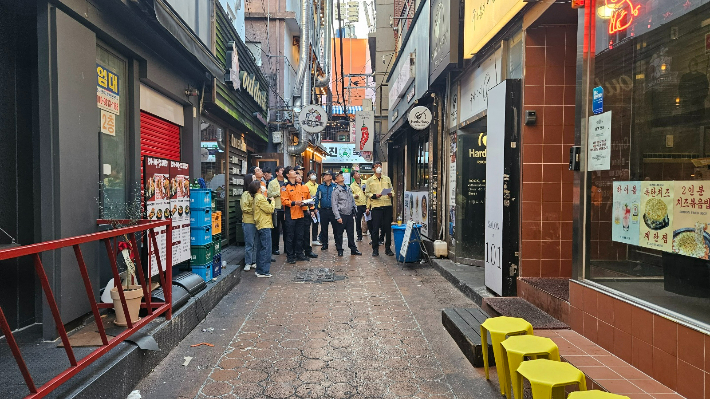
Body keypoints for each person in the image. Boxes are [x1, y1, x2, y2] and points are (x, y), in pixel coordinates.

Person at [280, 166, 318, 264]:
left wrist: (306, 204)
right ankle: (290, 256)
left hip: (301, 214)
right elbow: (284, 201)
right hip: (291, 215)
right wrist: (295, 203)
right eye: (292, 171)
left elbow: (305, 197)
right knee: (290, 236)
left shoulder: (299, 186)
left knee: (300, 235)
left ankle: (299, 254)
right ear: (288, 175)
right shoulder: (285, 187)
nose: (295, 172)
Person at [365, 161, 394, 256]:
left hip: (387, 205)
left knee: (387, 228)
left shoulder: (387, 178)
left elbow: (392, 190)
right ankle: (375, 249)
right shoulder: (370, 180)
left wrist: (390, 194)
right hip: (376, 207)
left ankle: (388, 248)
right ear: (373, 169)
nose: (378, 168)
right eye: (376, 166)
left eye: (380, 166)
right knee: (375, 229)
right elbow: (367, 193)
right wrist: (374, 195)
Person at [332, 172, 362, 257]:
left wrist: (355, 209)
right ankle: (340, 249)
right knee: (339, 234)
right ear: (336, 180)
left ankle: (353, 249)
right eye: (339, 176)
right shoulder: (336, 191)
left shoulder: (348, 188)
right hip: (341, 214)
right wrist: (337, 217)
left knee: (351, 233)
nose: (341, 176)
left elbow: (352, 200)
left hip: (349, 214)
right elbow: (334, 204)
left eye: (341, 175)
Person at [251, 180, 275, 277]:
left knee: (261, 247)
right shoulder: (260, 198)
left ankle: (260, 269)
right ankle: (263, 271)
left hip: (261, 224)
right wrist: (272, 202)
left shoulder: (257, 197)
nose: (262, 186)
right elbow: (270, 209)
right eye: (260, 185)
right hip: (264, 224)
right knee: (266, 248)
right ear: (258, 188)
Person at [315, 170, 336, 251]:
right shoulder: (320, 187)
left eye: (326, 175)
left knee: (336, 228)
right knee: (324, 228)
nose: (324, 177)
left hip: (333, 210)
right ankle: (325, 244)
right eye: (323, 175)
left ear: (330, 177)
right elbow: (317, 197)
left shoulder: (335, 186)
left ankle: (337, 243)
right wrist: (316, 207)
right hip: (323, 210)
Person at [268, 166, 286, 255]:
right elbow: (269, 194)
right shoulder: (272, 183)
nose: (283, 171)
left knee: (287, 229)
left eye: (283, 170)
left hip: (286, 209)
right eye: (281, 170)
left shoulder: (287, 182)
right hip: (276, 208)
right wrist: (279, 192)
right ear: (277, 172)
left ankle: (287, 248)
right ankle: (275, 248)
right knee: (276, 230)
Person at [240, 185, 256, 271]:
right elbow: (244, 208)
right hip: (248, 221)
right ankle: (248, 262)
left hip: (258, 221)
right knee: (249, 242)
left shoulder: (258, 194)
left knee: (256, 243)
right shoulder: (245, 194)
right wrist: (255, 210)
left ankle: (254, 261)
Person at [304, 169, 321, 246]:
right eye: (311, 174)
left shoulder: (318, 186)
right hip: (310, 208)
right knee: (308, 224)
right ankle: (307, 241)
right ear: (308, 177)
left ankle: (314, 238)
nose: (313, 175)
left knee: (316, 223)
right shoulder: (306, 186)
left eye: (314, 173)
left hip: (317, 207)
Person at [350, 171, 367, 241]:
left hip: (366, 204)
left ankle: (372, 236)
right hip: (358, 205)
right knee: (358, 221)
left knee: (369, 221)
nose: (358, 174)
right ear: (353, 176)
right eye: (356, 173)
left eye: (358, 173)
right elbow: (350, 195)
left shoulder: (365, 182)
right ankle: (359, 236)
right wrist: (354, 195)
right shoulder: (352, 186)